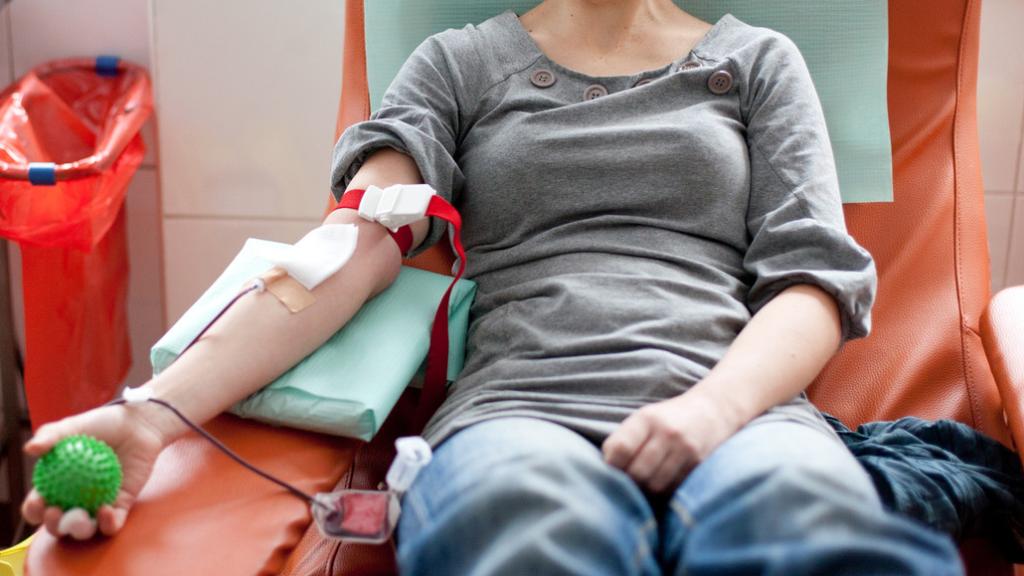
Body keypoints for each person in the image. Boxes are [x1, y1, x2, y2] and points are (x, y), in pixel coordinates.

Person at [22, 1, 963, 574]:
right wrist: (152, 415)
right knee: (518, 532)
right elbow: (351, 248)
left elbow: (813, 282)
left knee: (806, 529)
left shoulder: (759, 63)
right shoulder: (458, 65)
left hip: (746, 416)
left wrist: (711, 413)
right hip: (517, 417)